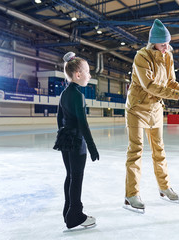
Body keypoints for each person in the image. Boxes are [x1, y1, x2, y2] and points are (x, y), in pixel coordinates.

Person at [124, 19, 179, 213]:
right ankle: (131, 194)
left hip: (156, 109)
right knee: (135, 151)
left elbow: (171, 82)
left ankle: (164, 187)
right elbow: (149, 85)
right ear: (154, 42)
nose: (166, 47)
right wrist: (177, 95)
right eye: (163, 44)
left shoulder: (168, 56)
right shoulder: (141, 57)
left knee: (159, 151)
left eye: (167, 43)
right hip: (137, 108)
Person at [53, 52, 100, 229]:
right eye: (87, 72)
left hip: (65, 140)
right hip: (76, 141)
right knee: (77, 178)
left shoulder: (65, 93)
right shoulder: (78, 95)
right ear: (78, 74)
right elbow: (83, 124)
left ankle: (68, 211)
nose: (89, 75)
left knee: (70, 176)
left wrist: (62, 134)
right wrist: (92, 147)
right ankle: (75, 215)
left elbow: (59, 118)